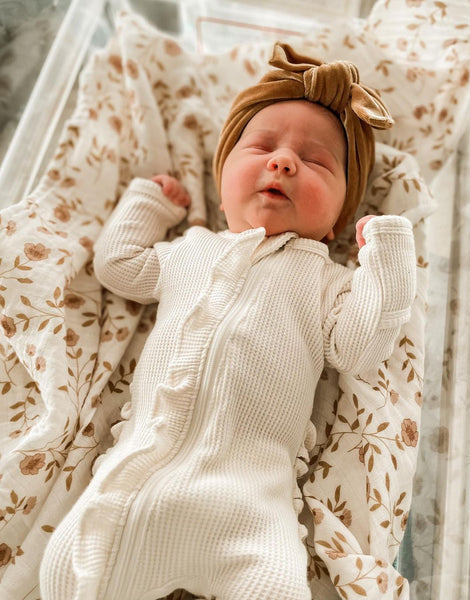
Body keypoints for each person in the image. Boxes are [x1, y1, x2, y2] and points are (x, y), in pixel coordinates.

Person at [39, 43, 416, 600]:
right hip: (138, 482)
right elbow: (118, 266)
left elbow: (359, 348)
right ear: (222, 180)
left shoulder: (327, 280)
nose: (283, 162)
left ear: (338, 216)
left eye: (315, 162)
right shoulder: (191, 249)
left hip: (251, 505)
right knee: (63, 572)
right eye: (262, 147)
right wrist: (151, 202)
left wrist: (387, 255)